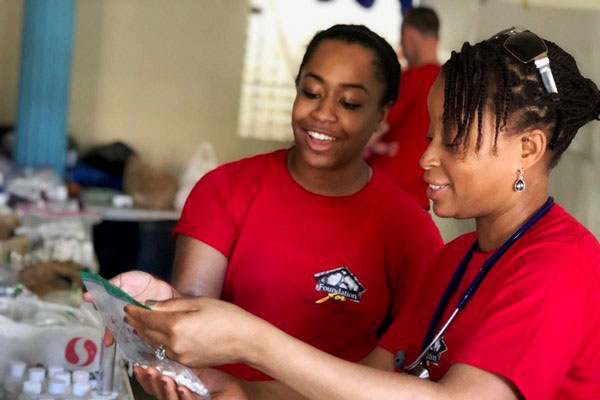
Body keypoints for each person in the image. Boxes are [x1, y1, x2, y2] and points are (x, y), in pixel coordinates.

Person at [124, 28, 600, 399]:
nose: (426, 158)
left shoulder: (562, 266)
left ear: (528, 148)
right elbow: (372, 378)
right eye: (431, 135)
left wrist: (252, 341)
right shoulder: (457, 259)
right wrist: (245, 390)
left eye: (452, 141)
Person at [94, 24, 442, 386]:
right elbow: (194, 304)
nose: (323, 113)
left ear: (382, 114)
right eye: (312, 92)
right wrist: (163, 303)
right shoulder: (225, 189)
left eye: (349, 102)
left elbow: (403, 364)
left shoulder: (407, 228)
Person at [366, 6, 441, 210]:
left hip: (383, 192)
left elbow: (370, 133)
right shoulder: (449, 84)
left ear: (408, 33)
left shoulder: (411, 79)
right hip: (420, 196)